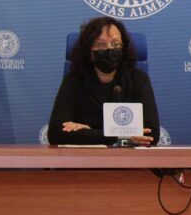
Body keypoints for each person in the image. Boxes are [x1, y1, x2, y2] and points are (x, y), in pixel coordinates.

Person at [48, 17, 159, 146]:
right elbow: (55, 133)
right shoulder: (74, 79)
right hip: (85, 158)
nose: (109, 49)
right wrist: (118, 136)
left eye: (115, 44)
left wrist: (88, 132)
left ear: (123, 48)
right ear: (89, 50)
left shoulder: (138, 79)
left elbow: (151, 134)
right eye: (101, 45)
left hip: (127, 157)